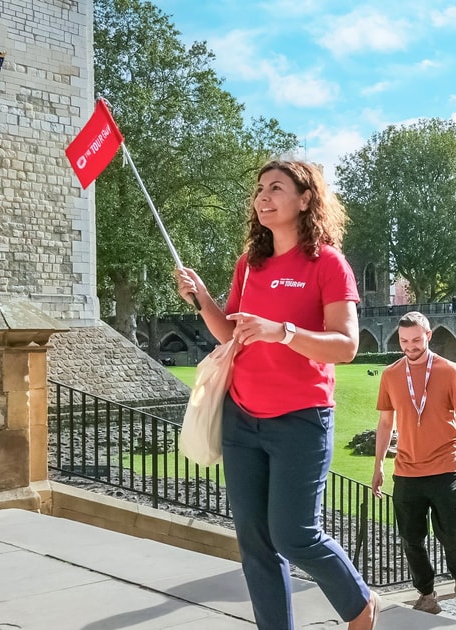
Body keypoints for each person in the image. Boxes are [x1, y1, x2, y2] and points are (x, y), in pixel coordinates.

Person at [173, 160, 377, 630]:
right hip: (242, 419)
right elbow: (231, 334)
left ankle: (361, 604)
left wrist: (282, 332)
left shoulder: (327, 263)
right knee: (254, 541)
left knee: (295, 535)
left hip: (300, 419)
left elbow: (346, 345)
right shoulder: (249, 265)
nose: (263, 196)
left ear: (305, 199)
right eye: (260, 189)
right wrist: (202, 297)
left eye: (276, 188)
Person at [372, 311, 456, 620]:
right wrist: (379, 465)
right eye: (404, 341)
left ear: (428, 335)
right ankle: (426, 594)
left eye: (416, 340)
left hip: (445, 469)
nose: (410, 346)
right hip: (406, 472)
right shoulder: (391, 375)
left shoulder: (448, 371)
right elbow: (385, 423)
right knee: (411, 539)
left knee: (452, 535)